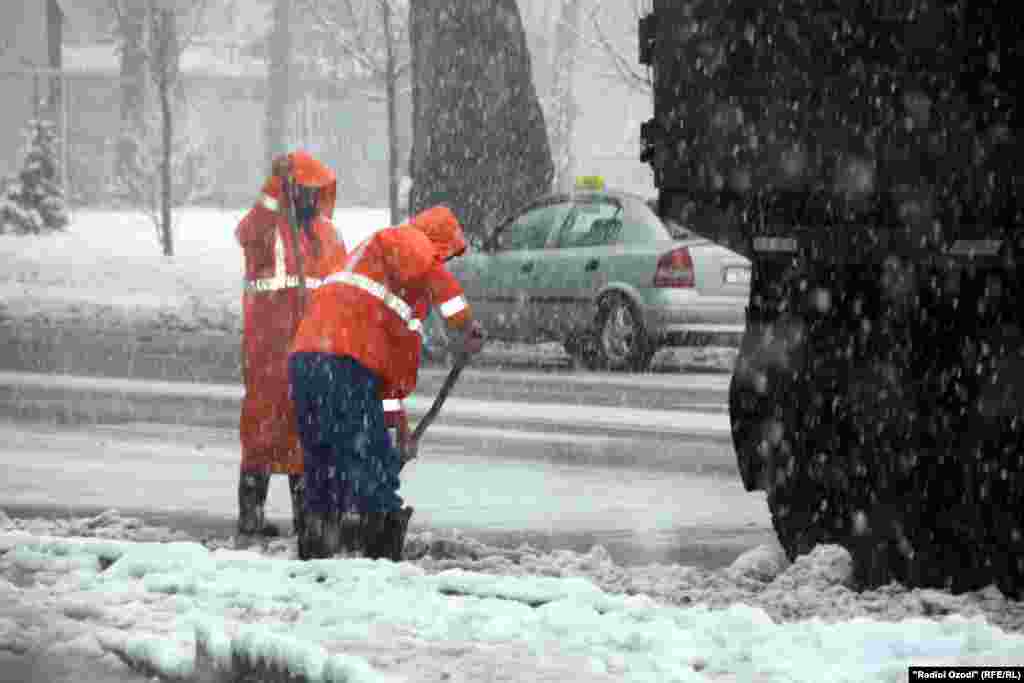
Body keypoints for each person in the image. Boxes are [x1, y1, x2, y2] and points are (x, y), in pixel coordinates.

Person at [288, 205, 486, 561]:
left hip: (308, 357)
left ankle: (318, 546)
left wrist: (401, 431)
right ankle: (378, 552)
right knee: (373, 462)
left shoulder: (383, 279)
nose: (443, 264)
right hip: (344, 358)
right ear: (437, 244)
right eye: (444, 257)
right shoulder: (405, 240)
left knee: (323, 458)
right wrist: (466, 326)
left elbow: (387, 380)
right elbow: (439, 280)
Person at [234, 150, 342, 548]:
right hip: (268, 348)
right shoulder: (267, 230)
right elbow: (248, 231)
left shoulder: (328, 234)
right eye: (304, 190)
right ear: (290, 190)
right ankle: (252, 516)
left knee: (305, 432)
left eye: (315, 191)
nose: (311, 198)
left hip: (311, 347)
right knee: (261, 431)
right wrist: (273, 186)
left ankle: (306, 518)